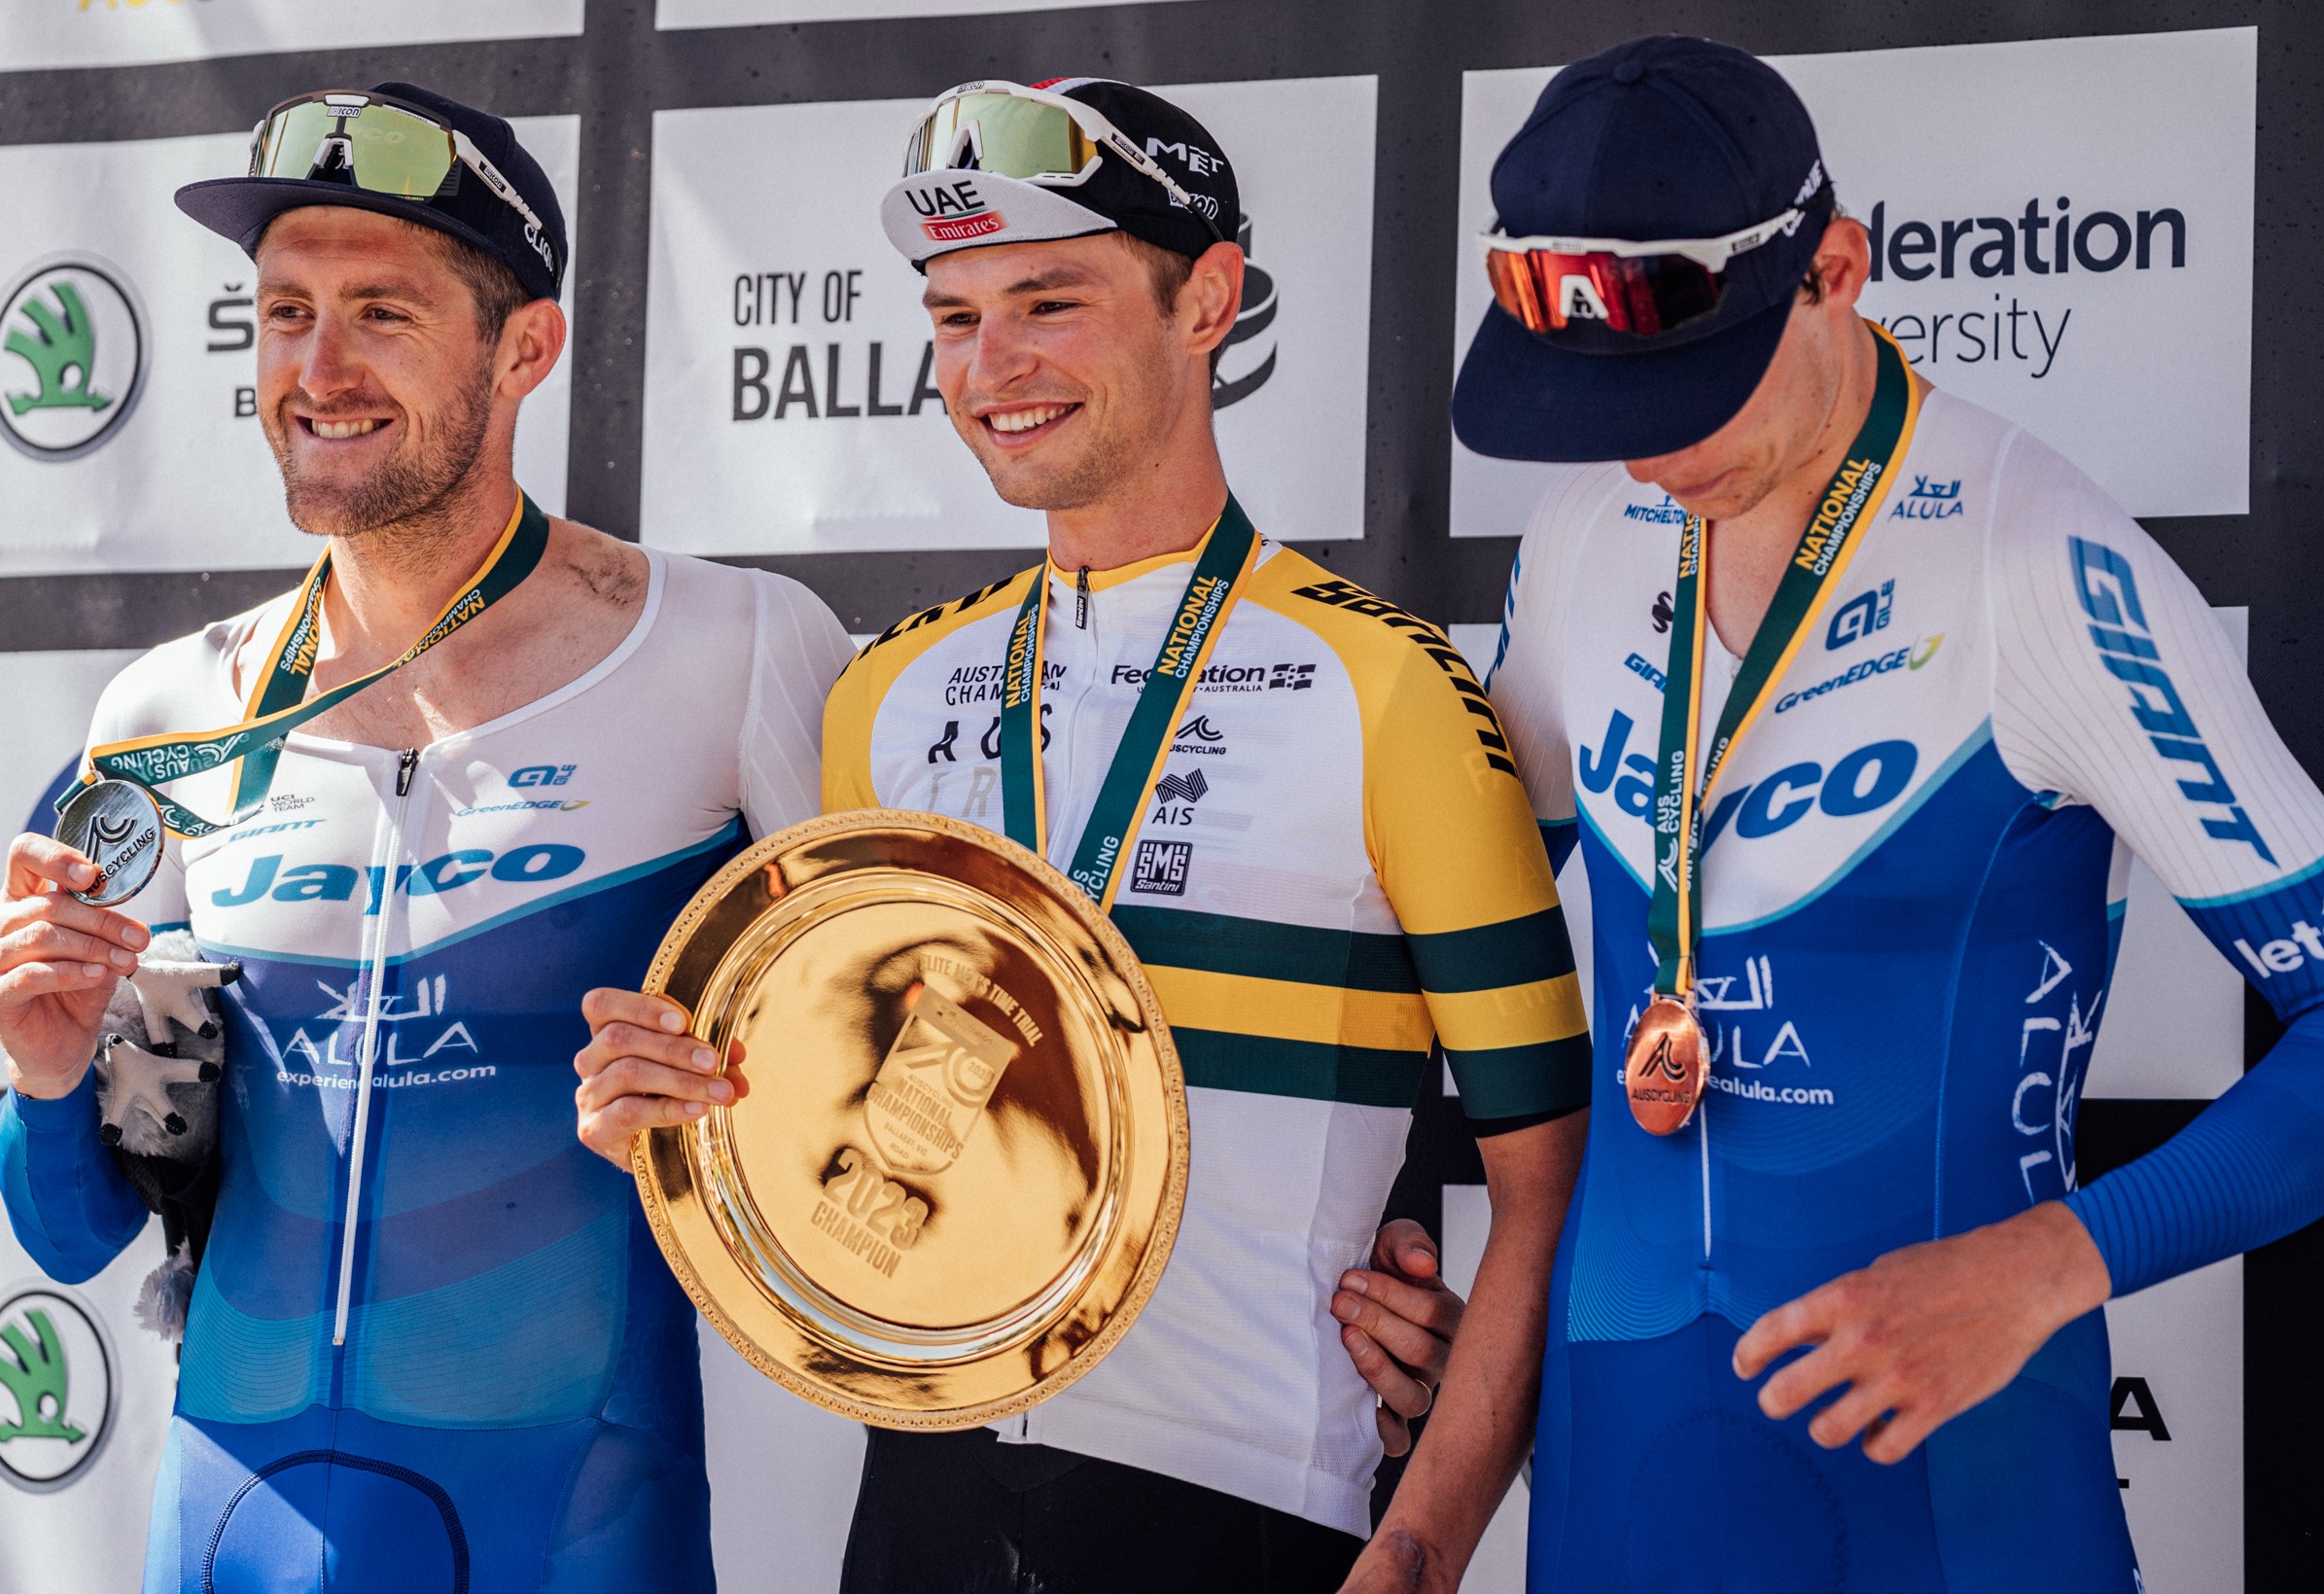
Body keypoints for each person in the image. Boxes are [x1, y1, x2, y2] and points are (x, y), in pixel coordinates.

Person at [570, 77, 1592, 1593]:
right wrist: (682, 1105)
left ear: (1211, 302)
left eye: (1049, 300)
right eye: (956, 316)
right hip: (916, 1498)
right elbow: (856, 1111)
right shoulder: (884, 694)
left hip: (1247, 1500)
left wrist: (1425, 1544)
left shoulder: (1388, 687)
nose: (995, 366)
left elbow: (1543, 1178)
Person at [1344, 33, 2324, 1593]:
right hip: (1616, 1480)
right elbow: (1443, 966)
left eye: (1692, 382)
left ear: (1836, 269)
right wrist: (1395, 1289)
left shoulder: (2039, 560)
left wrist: (2047, 1265)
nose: (1650, 449)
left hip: (1961, 1494)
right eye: (1603, 397)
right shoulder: (1588, 531)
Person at [0, 83, 853, 1591]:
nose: (318, 368)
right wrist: (51, 1074)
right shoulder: (170, 710)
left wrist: (736, 1106)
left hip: (578, 1517)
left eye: (381, 311)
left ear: (525, 349)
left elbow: (889, 1089)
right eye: (283, 312)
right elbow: (69, 1235)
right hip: (228, 1517)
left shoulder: (736, 645)